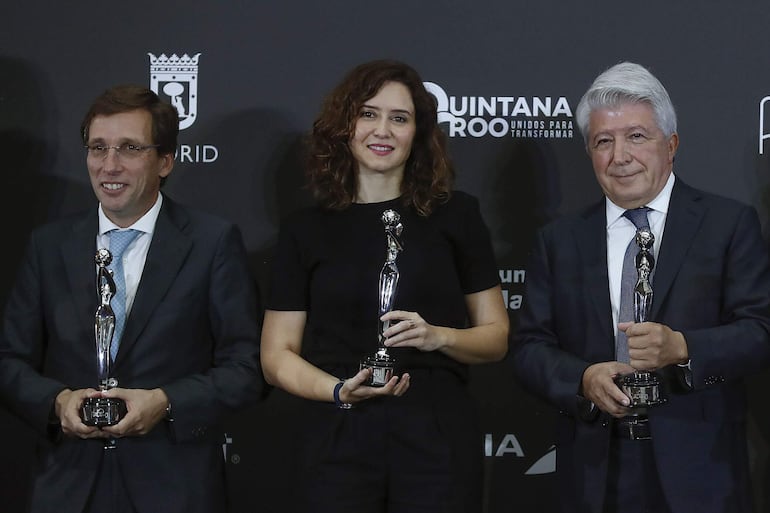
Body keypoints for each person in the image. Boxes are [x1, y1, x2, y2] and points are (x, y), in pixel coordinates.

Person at [513, 61, 770, 513]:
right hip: (594, 470)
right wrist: (583, 378)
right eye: (603, 142)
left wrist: (683, 346)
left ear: (670, 144)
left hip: (700, 470)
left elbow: (760, 330)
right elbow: (529, 346)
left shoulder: (727, 225)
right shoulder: (558, 241)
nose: (620, 156)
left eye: (636, 136)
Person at [261, 59, 509, 513]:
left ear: (418, 133)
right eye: (368, 114)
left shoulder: (457, 216)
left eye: (400, 118)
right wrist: (337, 390)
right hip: (336, 436)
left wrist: (440, 337)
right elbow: (276, 354)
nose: (383, 130)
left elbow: (495, 338)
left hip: (436, 437)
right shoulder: (304, 230)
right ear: (345, 125)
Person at [0, 85, 262, 513]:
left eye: (129, 148)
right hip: (68, 485)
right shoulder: (48, 246)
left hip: (173, 487)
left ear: (165, 161)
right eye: (97, 148)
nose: (109, 166)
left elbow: (247, 368)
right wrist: (57, 402)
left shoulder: (212, 242)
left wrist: (165, 402)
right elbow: (9, 360)